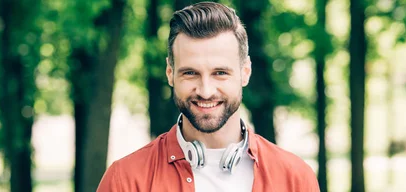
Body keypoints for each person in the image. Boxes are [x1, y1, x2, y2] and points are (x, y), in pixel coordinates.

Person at [97, 2, 319, 191]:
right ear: (170, 74)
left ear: (245, 72)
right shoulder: (125, 181)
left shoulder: (296, 179)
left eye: (220, 73)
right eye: (190, 73)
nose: (205, 91)